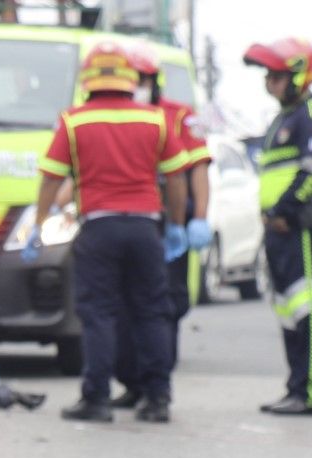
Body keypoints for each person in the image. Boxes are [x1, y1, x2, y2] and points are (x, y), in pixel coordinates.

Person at [31, 41, 190, 423]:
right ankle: (157, 399)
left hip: (99, 228)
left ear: (88, 80)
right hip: (145, 228)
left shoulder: (73, 120)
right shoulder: (155, 119)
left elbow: (51, 179)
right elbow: (178, 176)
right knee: (152, 311)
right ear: (129, 79)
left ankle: (97, 398)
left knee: (98, 314)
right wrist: (178, 226)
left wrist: (39, 225)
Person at [111, 45, 213, 411]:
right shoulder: (114, 114)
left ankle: (157, 386)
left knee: (163, 305)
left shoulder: (181, 116)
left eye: (143, 80)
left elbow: (197, 169)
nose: (137, 86)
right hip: (130, 219)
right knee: (123, 305)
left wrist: (197, 218)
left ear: (155, 81)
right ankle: (132, 382)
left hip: (172, 223)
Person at [244, 37, 312, 417]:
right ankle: (296, 386)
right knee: (288, 311)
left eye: (277, 76)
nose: (270, 83)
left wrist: (284, 210)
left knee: (310, 310)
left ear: (299, 76)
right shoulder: (283, 119)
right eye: (268, 76)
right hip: (279, 229)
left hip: (300, 227)